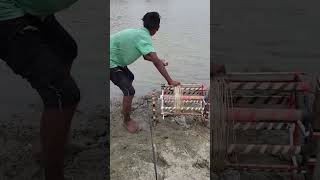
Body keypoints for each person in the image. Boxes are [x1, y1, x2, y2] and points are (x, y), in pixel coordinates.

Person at [0, 1, 79, 180]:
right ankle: (53, 175)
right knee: (64, 94)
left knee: (66, 50)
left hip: (32, 9)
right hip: (5, 15)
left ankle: (55, 145)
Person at [110, 12, 180, 133]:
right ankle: (127, 120)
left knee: (129, 77)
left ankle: (126, 106)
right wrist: (170, 81)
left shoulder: (138, 33)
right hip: (110, 62)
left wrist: (158, 60)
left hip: (116, 60)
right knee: (129, 90)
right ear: (157, 28)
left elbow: (147, 56)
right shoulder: (144, 38)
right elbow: (155, 63)